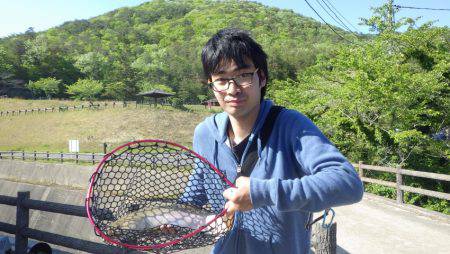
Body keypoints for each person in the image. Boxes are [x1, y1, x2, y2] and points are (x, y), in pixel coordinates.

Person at [189, 28, 363, 253]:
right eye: (221, 79)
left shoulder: (291, 126)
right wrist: (172, 219)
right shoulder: (205, 133)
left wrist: (261, 193)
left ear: (261, 77)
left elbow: (347, 183)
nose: (232, 89)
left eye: (243, 75)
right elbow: (195, 193)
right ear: (212, 85)